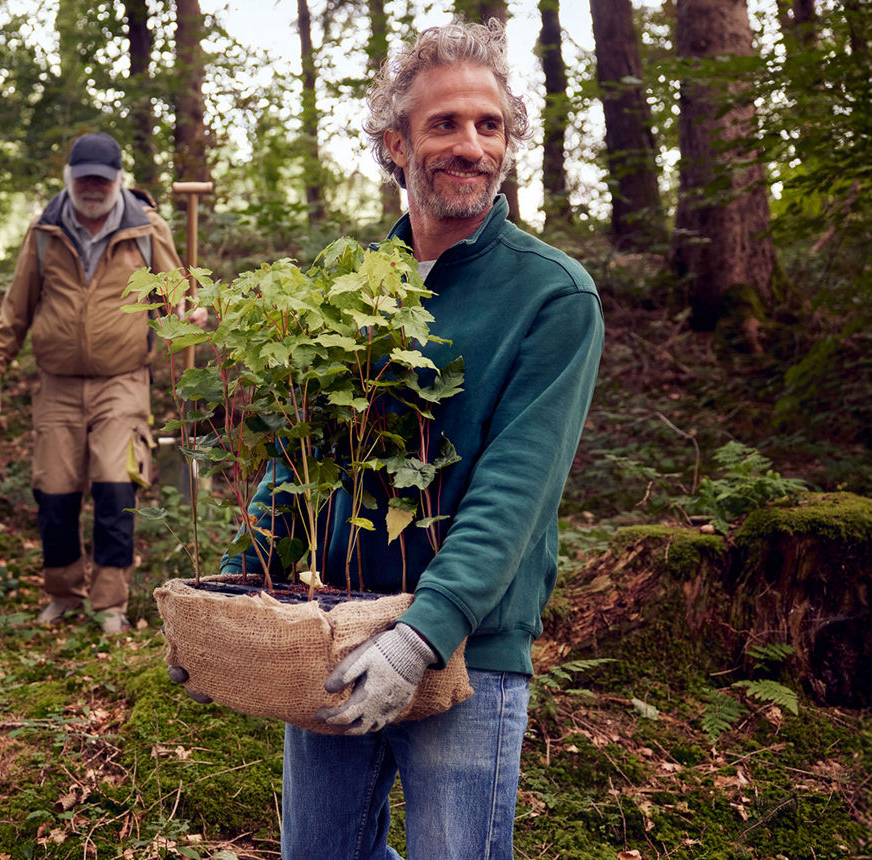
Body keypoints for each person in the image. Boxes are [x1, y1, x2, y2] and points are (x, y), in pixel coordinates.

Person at [169, 20, 605, 859]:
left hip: (466, 653)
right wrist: (228, 596)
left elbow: (515, 491)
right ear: (394, 145)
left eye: (490, 125)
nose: (470, 145)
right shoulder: (352, 293)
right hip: (327, 631)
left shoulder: (553, 298)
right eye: (444, 124)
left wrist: (423, 633)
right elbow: (298, 464)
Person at [0, 132, 190, 635]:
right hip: (58, 385)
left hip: (123, 381)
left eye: (102, 179)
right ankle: (62, 593)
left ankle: (109, 604)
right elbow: (17, 307)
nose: (92, 187)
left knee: (117, 489)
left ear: (117, 181)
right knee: (55, 491)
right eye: (84, 178)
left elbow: (176, 292)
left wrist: (187, 311)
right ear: (69, 179)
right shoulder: (45, 231)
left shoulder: (145, 229)